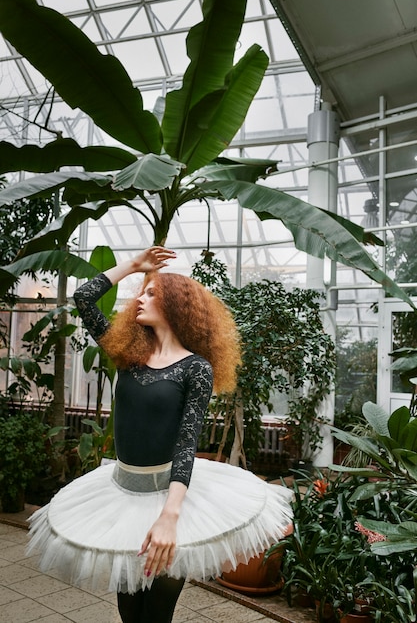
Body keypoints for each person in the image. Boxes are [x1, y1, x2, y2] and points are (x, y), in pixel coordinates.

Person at [27, 246, 293, 623]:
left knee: (156, 614)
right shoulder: (128, 354)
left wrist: (169, 517)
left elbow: (187, 443)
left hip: (170, 497)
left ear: (175, 306)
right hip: (120, 495)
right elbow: (84, 296)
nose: (140, 298)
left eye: (152, 293)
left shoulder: (195, 369)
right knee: (129, 609)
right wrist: (135, 266)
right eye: (143, 291)